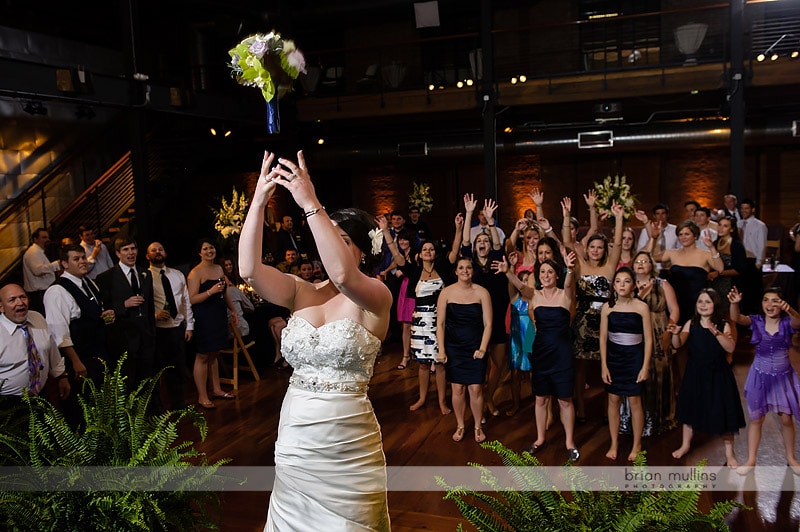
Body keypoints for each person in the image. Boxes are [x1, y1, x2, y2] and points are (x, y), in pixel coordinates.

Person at [238, 150, 392, 531]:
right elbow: (248, 270)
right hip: (297, 433)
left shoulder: (375, 296)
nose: (328, 248)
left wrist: (310, 202)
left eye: (340, 239)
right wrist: (259, 200)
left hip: (347, 441)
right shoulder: (300, 291)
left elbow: (342, 274)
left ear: (361, 248)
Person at [382, 216, 459, 413]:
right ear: (420, 253)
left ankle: (442, 401)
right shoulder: (414, 272)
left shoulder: (442, 268)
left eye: (431, 249)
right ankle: (423, 398)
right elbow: (398, 258)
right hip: (420, 321)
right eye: (425, 249)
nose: (428, 252)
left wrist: (459, 227)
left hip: (439, 320)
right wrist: (385, 233)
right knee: (423, 365)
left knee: (440, 364)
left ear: (435, 253)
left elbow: (455, 251)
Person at [563, 197, 625, 424]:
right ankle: (580, 405)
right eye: (592, 247)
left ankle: (613, 406)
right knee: (580, 367)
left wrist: (618, 218)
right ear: (586, 249)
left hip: (607, 320)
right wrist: (566, 216)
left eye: (600, 247)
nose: (596, 250)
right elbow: (567, 242)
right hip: (582, 320)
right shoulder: (579, 264)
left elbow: (617, 244)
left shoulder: (610, 266)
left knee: (610, 363)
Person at [667, 289, 745, 466]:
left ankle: (730, 453)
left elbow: (731, 348)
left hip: (718, 374)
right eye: (700, 301)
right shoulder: (691, 323)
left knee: (724, 413)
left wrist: (716, 332)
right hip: (695, 373)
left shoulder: (723, 324)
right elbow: (678, 344)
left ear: (715, 305)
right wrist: (675, 334)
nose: (703, 305)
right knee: (689, 410)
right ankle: (685, 444)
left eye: (707, 302)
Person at [728, 286, 800, 475]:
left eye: (775, 300)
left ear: (782, 304)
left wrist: (790, 309)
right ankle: (751, 459)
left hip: (782, 379)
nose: (770, 304)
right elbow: (737, 318)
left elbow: (798, 321)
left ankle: (791, 458)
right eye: (766, 300)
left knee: (786, 419)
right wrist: (734, 304)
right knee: (756, 419)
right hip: (759, 377)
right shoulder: (757, 321)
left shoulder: (786, 323)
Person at [524, 255, 580, 463]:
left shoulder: (565, 295)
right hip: (541, 352)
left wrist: (570, 269)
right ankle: (539, 438)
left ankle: (569, 442)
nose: (546, 275)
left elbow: (569, 284)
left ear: (557, 275)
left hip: (562, 352)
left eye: (550, 272)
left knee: (565, 399)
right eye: (542, 272)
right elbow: (519, 289)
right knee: (540, 398)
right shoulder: (534, 296)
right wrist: (508, 271)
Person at [620, 251, 679, 437]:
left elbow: (675, 309)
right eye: (637, 261)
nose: (640, 264)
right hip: (634, 334)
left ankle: (659, 420)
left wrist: (669, 331)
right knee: (634, 375)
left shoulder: (663, 285)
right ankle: (631, 421)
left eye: (645, 261)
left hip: (658, 331)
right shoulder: (627, 284)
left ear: (651, 265)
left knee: (658, 374)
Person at [462, 194, 509, 418]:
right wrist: (469, 213)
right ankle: (480, 400)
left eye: (486, 241)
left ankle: (489, 395)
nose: (483, 244)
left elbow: (499, 246)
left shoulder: (497, 261)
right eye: (479, 241)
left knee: (498, 365)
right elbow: (463, 244)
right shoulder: (469, 265)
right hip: (476, 321)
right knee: (479, 365)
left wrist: (490, 222)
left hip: (498, 317)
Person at [437, 257, 492, 443]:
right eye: (461, 267)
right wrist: (442, 349)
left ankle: (478, 426)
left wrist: (483, 348)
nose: (465, 270)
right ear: (456, 271)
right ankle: (460, 425)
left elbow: (488, 323)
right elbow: (441, 323)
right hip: (454, 348)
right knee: (458, 389)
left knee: (476, 389)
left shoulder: (482, 292)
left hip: (476, 347)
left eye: (468, 267)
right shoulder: (446, 293)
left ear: (473, 271)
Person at [44, 245, 114, 392]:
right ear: (65, 264)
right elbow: (59, 333)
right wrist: (76, 362)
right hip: (80, 359)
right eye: (76, 259)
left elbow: (94, 313)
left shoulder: (89, 283)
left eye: (83, 257)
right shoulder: (56, 291)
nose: (83, 261)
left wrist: (105, 315)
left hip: (99, 354)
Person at [600, 267, 653, 462]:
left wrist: (645, 366)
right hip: (614, 357)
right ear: (614, 285)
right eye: (618, 281)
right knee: (613, 400)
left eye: (626, 281)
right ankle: (614, 442)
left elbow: (649, 339)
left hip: (634, 357)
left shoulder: (641, 307)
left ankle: (636, 443)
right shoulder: (608, 307)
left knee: (634, 401)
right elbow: (603, 338)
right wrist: (604, 365)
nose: (622, 285)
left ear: (633, 285)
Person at [96, 237, 156, 389]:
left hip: (145, 337)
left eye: (133, 249)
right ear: (117, 253)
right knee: (128, 382)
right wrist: (123, 305)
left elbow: (149, 306)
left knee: (148, 380)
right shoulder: (106, 277)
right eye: (126, 249)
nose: (131, 253)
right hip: (123, 339)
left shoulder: (145, 274)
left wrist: (151, 332)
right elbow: (104, 311)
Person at [187, 238, 237, 409]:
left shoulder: (218, 268)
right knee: (202, 355)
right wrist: (210, 291)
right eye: (205, 248)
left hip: (218, 314)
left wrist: (232, 309)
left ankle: (216, 389)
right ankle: (202, 396)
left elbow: (225, 292)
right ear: (199, 252)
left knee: (215, 353)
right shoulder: (195, 273)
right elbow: (192, 299)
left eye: (211, 248)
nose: (209, 251)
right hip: (203, 316)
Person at [0, 284, 70, 401]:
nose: (20, 303)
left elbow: (52, 351)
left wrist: (62, 376)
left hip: (41, 395)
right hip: (8, 404)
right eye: (12, 300)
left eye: (23, 297)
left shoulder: (37, 318)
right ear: (1, 307)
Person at [146, 241, 194, 411]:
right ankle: (157, 407)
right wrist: (154, 316)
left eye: (160, 249)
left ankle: (178, 403)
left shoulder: (177, 274)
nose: (158, 252)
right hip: (157, 330)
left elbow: (186, 300)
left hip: (177, 328)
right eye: (153, 250)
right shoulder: (145, 277)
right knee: (157, 370)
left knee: (178, 369)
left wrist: (189, 326)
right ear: (147, 256)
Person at [647, 220, 723, 326]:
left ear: (695, 236)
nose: (683, 237)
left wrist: (711, 247)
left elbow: (720, 268)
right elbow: (647, 259)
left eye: (687, 234)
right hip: (676, 303)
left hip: (698, 304)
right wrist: (653, 238)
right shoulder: (672, 253)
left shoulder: (705, 255)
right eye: (680, 234)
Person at [708, 215, 746, 316]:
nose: (720, 228)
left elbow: (740, 269)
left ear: (732, 229)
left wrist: (719, 274)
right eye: (719, 225)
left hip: (730, 285)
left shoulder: (736, 245)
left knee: (729, 316)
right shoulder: (715, 243)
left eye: (725, 226)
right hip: (715, 285)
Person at [738, 199, 768, 314]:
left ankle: (755, 316)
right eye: (742, 208)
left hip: (753, 262)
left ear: (753, 210)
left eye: (746, 208)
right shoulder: (738, 224)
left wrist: (759, 262)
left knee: (753, 291)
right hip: (741, 260)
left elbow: (762, 245)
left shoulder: (760, 226)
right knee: (743, 289)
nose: (744, 211)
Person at [22, 228, 60, 315]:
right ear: (35, 239)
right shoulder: (33, 252)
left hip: (42, 292)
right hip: (39, 294)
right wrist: (56, 264)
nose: (47, 240)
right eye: (44, 237)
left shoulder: (39, 251)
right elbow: (37, 270)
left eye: (47, 237)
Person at [635, 203, 679, 272]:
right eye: (658, 214)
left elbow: (680, 250)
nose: (660, 216)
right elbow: (640, 251)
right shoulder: (645, 231)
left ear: (667, 215)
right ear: (654, 216)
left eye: (663, 213)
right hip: (653, 268)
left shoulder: (675, 230)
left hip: (671, 269)